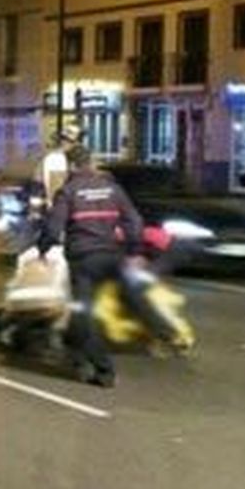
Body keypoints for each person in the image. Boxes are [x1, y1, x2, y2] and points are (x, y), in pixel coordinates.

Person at [40, 146, 177, 388]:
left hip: (83, 262)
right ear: (91, 163)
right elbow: (133, 220)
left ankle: (104, 371)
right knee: (131, 291)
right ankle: (163, 330)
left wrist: (42, 248)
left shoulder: (68, 192)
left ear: (71, 166)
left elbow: (52, 229)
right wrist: (135, 250)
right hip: (112, 256)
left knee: (85, 315)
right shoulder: (112, 188)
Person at [40, 126, 84, 207]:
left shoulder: (79, 157)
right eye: (73, 141)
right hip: (62, 206)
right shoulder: (55, 159)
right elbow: (54, 187)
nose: (78, 144)